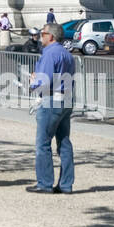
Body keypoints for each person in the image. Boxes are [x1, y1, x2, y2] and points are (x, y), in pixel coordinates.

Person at [28, 23, 76, 194]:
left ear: (51, 36)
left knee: (43, 143)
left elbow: (45, 81)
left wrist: (33, 82)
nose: (41, 37)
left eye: (43, 34)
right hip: (66, 99)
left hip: (50, 100)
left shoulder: (49, 54)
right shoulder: (67, 54)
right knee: (64, 142)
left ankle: (45, 183)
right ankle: (66, 184)